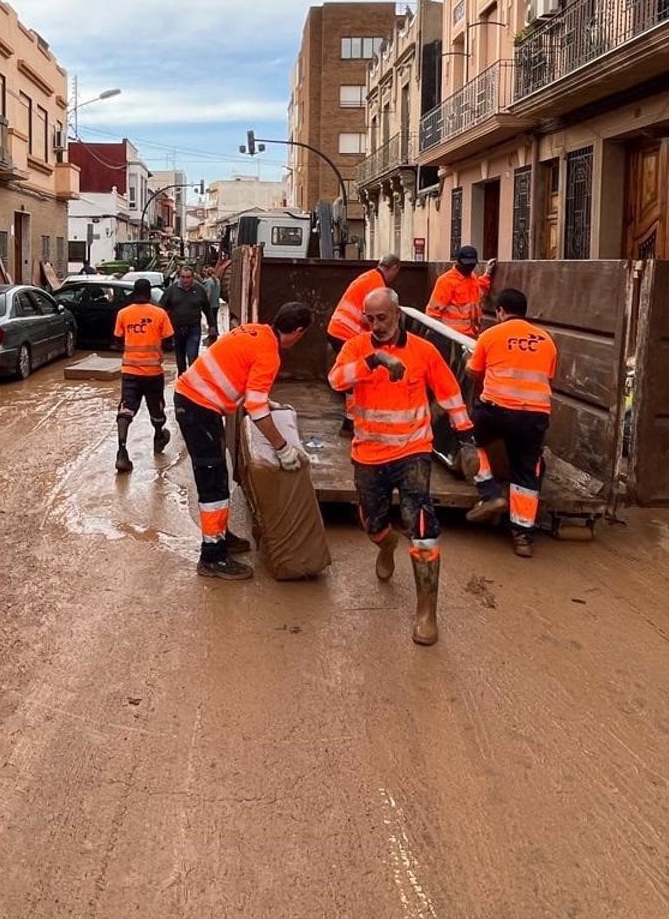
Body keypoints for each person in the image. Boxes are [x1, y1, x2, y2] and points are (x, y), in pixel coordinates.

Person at [329, 287, 474, 646]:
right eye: (370, 318)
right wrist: (373, 361)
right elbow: (335, 381)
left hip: (413, 451)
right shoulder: (357, 347)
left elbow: (449, 391)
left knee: (423, 527)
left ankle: (426, 612)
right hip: (368, 455)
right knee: (372, 523)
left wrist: (466, 437)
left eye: (383, 317)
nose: (376, 325)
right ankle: (385, 544)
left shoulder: (423, 351)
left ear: (398, 315)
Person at [174, 302, 316, 579]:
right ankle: (212, 557)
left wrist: (265, 400)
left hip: (196, 402)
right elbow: (255, 410)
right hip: (197, 407)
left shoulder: (256, 331)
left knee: (218, 477)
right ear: (298, 331)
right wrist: (283, 448)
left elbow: (241, 375)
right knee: (212, 482)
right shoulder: (270, 354)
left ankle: (219, 536)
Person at [464, 287, 559, 558]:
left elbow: (473, 371)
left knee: (469, 438)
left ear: (500, 312)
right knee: (525, 470)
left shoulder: (491, 334)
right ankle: (522, 537)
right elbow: (548, 377)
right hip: (535, 414)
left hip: (497, 410)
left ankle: (490, 493)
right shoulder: (546, 340)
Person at [326, 254, 402, 433]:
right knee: (356, 377)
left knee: (353, 377)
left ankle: (351, 420)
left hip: (339, 330)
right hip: (346, 332)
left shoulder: (369, 277)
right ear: (394, 268)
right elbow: (368, 316)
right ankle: (351, 421)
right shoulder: (377, 285)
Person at [112, 277, 174, 475]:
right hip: (153, 372)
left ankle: (122, 451)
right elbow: (168, 342)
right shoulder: (159, 314)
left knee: (126, 409)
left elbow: (117, 341)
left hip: (130, 371)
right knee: (156, 407)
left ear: (134, 292)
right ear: (149, 293)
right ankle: (158, 436)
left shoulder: (123, 313)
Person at [160, 265, 217, 374]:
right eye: (183, 277)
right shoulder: (171, 290)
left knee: (192, 355)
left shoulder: (199, 290)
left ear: (193, 277)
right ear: (179, 277)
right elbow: (161, 309)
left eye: (188, 277)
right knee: (180, 356)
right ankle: (182, 378)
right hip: (177, 329)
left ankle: (192, 379)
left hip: (193, 328)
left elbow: (207, 309)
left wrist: (212, 325)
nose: (185, 280)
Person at [427, 246, 490, 337]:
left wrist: (487, 274)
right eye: (467, 265)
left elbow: (480, 291)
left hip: (471, 335)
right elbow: (433, 313)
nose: (469, 268)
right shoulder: (446, 281)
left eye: (472, 265)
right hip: (452, 336)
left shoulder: (473, 278)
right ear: (459, 262)